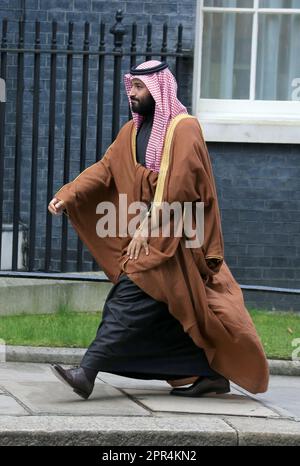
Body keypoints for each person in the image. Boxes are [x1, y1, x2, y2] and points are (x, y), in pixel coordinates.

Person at [48, 60, 269, 400]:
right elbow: (106, 169)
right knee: (166, 309)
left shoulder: (184, 128)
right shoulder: (132, 131)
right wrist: (68, 194)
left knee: (128, 295)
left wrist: (146, 229)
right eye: (131, 87)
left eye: (139, 88)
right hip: (152, 233)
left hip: (175, 236)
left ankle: (86, 373)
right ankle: (202, 370)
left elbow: (179, 188)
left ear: (157, 90)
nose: (132, 94)